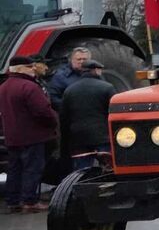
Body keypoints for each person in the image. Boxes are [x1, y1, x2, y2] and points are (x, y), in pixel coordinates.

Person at [0, 55, 59, 213]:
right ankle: (30, 201)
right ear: (20, 69)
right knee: (32, 168)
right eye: (30, 67)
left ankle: (13, 201)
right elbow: (42, 111)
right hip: (32, 136)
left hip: (12, 136)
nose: (33, 69)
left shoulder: (4, 87)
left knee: (14, 169)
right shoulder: (29, 87)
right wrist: (54, 121)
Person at [59, 60, 116, 170]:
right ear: (96, 70)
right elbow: (114, 112)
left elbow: (64, 117)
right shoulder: (107, 88)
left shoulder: (69, 90)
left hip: (79, 138)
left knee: (82, 171)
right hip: (103, 137)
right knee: (109, 169)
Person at [47, 46, 91, 110]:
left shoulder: (94, 74)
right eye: (79, 59)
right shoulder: (61, 76)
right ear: (71, 60)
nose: (82, 62)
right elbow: (53, 97)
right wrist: (69, 107)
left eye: (84, 59)